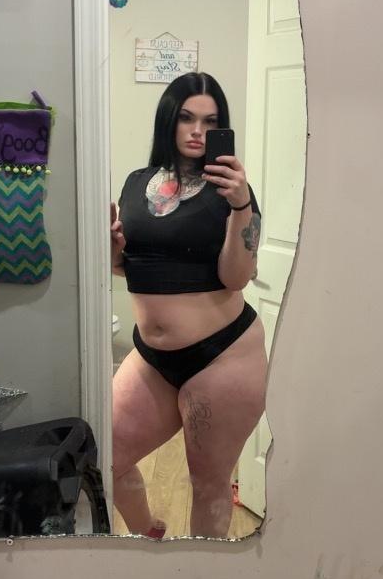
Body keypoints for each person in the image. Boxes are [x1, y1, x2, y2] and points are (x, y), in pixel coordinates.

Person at [111, 72, 267, 538]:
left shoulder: (232, 192)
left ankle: (201, 578)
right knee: (105, 457)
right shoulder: (137, 182)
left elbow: (235, 278)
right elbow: (129, 268)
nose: (198, 131)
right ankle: (148, 533)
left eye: (210, 121)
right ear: (169, 120)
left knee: (208, 484)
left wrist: (241, 206)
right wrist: (113, 249)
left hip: (223, 357)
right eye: (187, 118)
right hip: (151, 357)